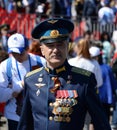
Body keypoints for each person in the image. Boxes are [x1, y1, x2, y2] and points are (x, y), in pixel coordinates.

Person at [17, 18, 111, 130]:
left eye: (60, 44)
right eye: (50, 45)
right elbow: (25, 123)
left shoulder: (84, 80)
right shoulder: (31, 80)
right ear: (42, 50)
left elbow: (101, 122)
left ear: (67, 47)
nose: (56, 50)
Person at [0, 33, 46, 130]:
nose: (17, 56)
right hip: (14, 117)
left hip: (37, 116)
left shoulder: (41, 62)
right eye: (14, 53)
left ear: (27, 48)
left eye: (20, 53)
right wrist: (18, 87)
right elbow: (1, 96)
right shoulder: (5, 66)